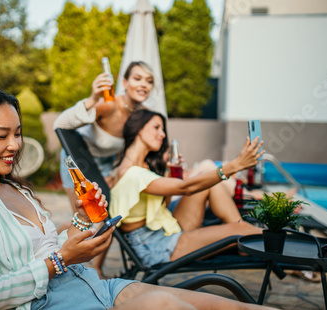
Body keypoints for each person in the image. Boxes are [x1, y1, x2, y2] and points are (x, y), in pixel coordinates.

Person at [0, 86, 274, 310]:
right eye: (1, 136)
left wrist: (82, 223)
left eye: (17, 133)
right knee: (166, 303)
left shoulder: (12, 188)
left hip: (90, 286)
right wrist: (60, 260)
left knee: (225, 306)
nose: (14, 145)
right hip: (47, 303)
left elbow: (44, 247)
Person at [109, 109, 265, 267]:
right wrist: (235, 165)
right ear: (137, 128)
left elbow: (162, 206)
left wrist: (170, 177)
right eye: (156, 127)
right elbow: (186, 188)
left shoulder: (138, 168)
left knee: (209, 183)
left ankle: (241, 237)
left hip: (162, 232)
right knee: (244, 229)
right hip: (157, 247)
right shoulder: (132, 173)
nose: (162, 134)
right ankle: (266, 245)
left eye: (162, 129)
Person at [54, 61, 155, 209]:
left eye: (149, 81)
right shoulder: (109, 105)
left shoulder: (145, 116)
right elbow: (60, 124)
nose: (144, 84)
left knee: (106, 214)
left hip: (109, 163)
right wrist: (93, 99)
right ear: (125, 82)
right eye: (137, 78)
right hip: (78, 159)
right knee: (84, 215)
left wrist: (114, 174)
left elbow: (130, 150)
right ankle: (62, 232)